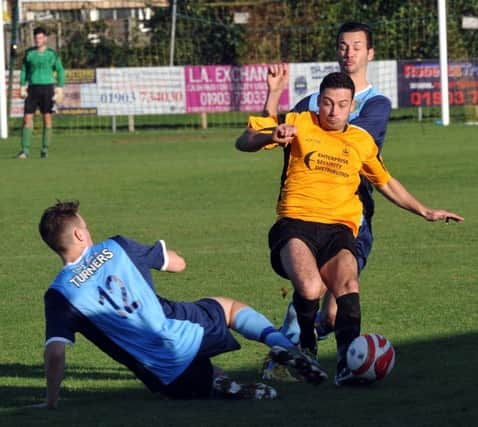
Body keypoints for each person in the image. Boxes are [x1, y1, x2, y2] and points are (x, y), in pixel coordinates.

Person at [235, 70, 463, 385]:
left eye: (341, 104)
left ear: (351, 105)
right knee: (311, 288)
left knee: (348, 286)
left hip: (338, 230)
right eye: (327, 103)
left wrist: (425, 210)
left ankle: (345, 364)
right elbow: (243, 141)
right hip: (295, 224)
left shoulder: (360, 141)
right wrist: (268, 136)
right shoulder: (300, 121)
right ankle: (307, 348)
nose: (333, 111)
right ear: (319, 101)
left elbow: (386, 182)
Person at [36, 200, 326, 408]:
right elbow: (178, 264)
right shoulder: (116, 246)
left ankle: (224, 385)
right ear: (78, 234)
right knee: (226, 307)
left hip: (161, 373)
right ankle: (283, 346)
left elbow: (56, 353)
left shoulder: (59, 294)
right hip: (182, 328)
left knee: (196, 380)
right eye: (85, 226)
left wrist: (51, 400)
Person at [263, 22, 392, 362]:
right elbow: (277, 132)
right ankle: (292, 353)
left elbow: (350, 143)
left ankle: (315, 345)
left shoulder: (377, 104)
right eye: (343, 46)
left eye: (357, 46)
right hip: (307, 211)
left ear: (370, 53)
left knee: (335, 309)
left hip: (353, 212)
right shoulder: (311, 102)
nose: (349, 52)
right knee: (308, 285)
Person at [17, 27, 65, 159]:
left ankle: (44, 149)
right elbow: (24, 70)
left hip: (47, 88)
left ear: (45, 39)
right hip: (32, 88)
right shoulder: (29, 54)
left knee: (47, 118)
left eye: (40, 38)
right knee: (27, 118)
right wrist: (22, 86)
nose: (38, 40)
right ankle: (24, 150)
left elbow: (60, 70)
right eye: (36, 38)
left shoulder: (51, 54)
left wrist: (60, 88)